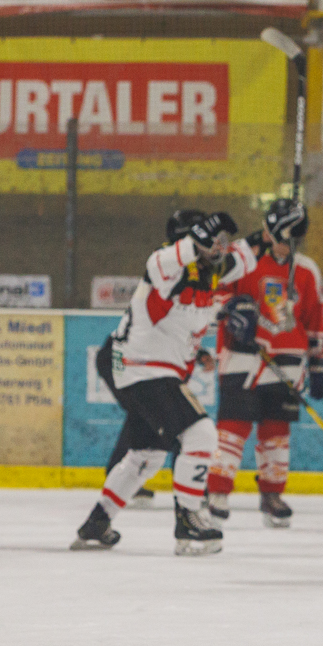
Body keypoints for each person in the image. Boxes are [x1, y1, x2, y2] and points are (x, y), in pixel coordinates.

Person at [71, 211, 258, 556]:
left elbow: (243, 258)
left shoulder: (208, 272)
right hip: (133, 365)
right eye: (211, 242)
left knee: (149, 452)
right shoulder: (168, 265)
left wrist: (271, 232)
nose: (219, 249)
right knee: (200, 433)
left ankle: (97, 521)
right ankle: (188, 519)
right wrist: (197, 241)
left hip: (144, 367)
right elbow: (160, 264)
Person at [206, 199, 323, 529]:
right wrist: (232, 310)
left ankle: (272, 494)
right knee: (233, 428)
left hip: (288, 361)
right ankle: (217, 492)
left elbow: (314, 318)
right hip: (242, 356)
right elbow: (214, 292)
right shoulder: (241, 258)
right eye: (281, 237)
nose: (285, 245)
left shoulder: (306, 270)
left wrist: (320, 360)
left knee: (276, 432)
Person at [101, 210, 207, 511]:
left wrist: (198, 352)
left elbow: (173, 323)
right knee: (149, 411)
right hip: (119, 357)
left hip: (129, 355)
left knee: (149, 412)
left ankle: (122, 478)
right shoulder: (170, 264)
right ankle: (121, 475)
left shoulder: (186, 268)